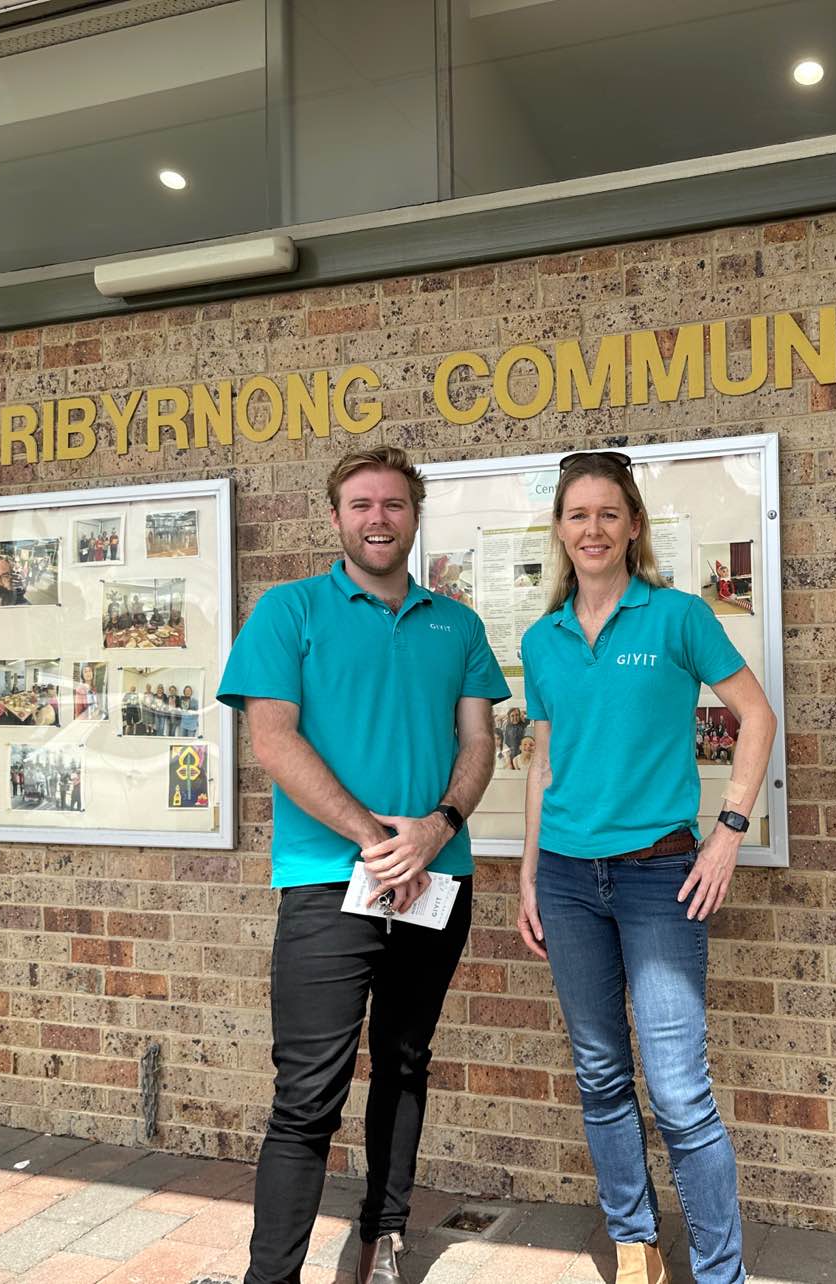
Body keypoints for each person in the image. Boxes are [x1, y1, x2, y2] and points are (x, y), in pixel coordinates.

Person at [217, 446, 508, 1284]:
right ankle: (271, 1277)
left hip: (437, 882)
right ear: (336, 515)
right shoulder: (290, 610)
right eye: (361, 504)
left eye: (393, 504)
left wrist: (439, 826)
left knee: (406, 1063)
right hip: (324, 883)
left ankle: (382, 1239)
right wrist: (379, 841)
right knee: (309, 1093)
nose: (378, 518)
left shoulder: (457, 624)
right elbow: (273, 738)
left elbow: (479, 742)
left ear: (415, 515)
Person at [516, 451, 776, 1284]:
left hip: (660, 877)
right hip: (565, 879)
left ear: (632, 526)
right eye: (576, 515)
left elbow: (756, 715)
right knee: (599, 1073)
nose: (592, 529)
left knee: (677, 1091)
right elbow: (543, 759)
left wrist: (728, 831)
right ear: (560, 530)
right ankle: (636, 1249)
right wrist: (527, 873)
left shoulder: (675, 617)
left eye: (607, 514)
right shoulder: (542, 638)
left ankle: (719, 1271)